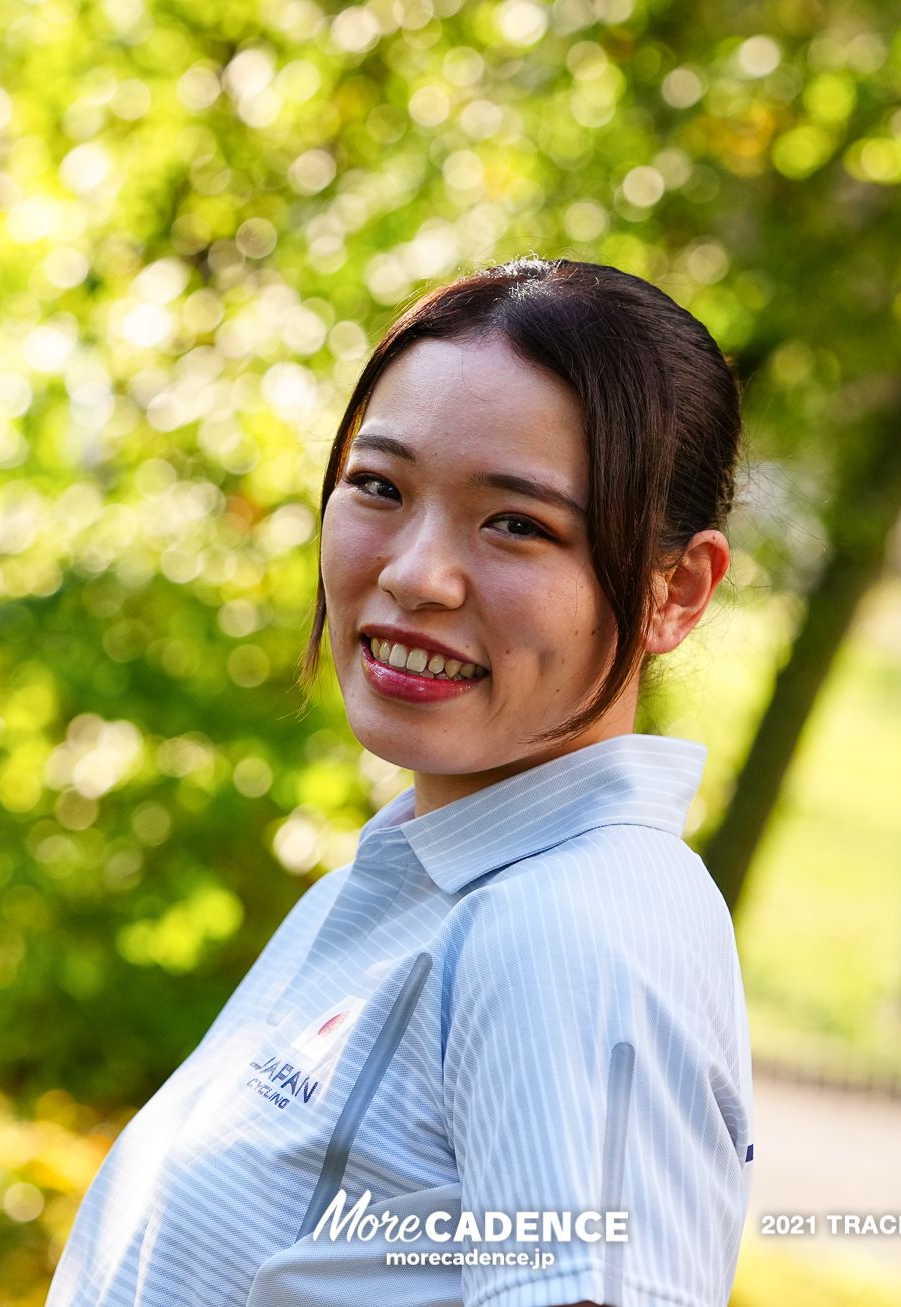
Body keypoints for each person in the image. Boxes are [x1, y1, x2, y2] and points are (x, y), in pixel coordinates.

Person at [48, 258, 752, 1307]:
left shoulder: (566, 932)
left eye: (516, 522)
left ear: (674, 592)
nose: (416, 572)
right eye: (378, 486)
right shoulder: (408, 884)